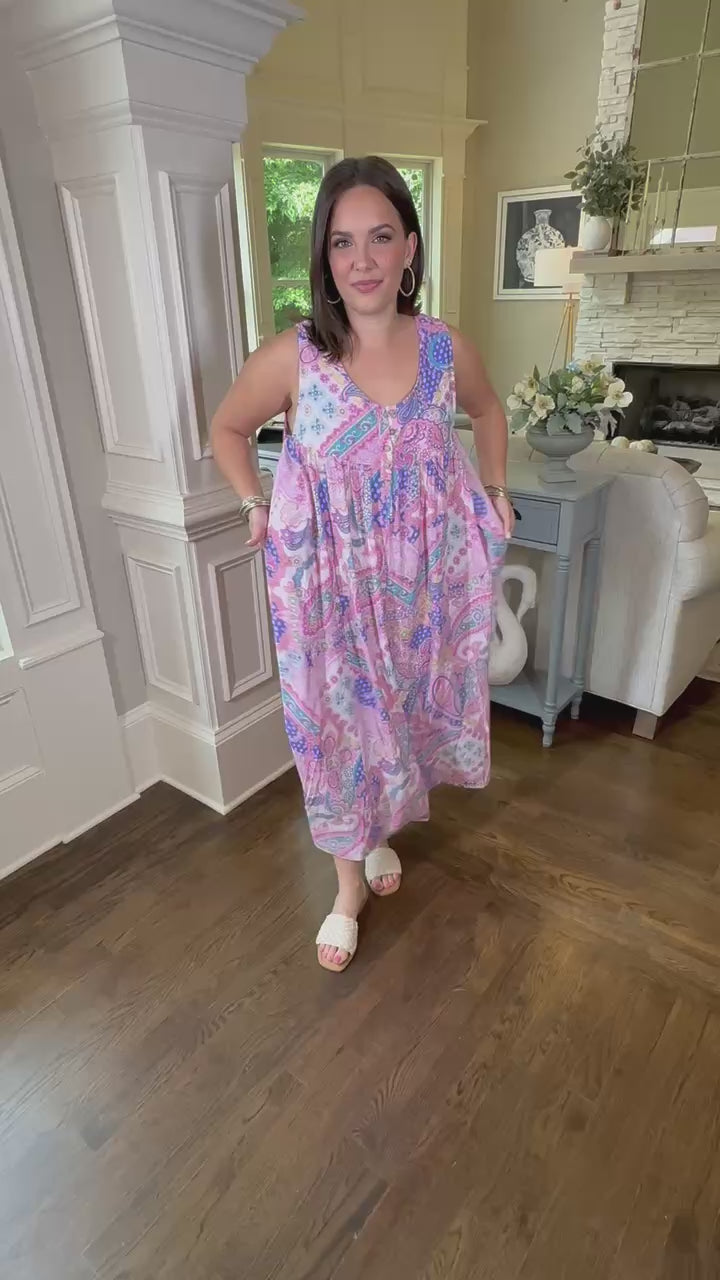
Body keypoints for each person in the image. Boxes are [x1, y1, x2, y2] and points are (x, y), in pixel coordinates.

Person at [211, 156, 513, 974]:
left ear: (409, 247)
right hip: (328, 587)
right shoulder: (295, 356)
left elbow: (489, 410)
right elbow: (227, 428)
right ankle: (347, 887)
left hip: (421, 584)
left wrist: (495, 488)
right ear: (324, 255)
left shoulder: (445, 348)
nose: (363, 259)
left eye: (381, 237)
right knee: (339, 730)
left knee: (399, 713)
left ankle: (380, 833)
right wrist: (253, 504)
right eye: (343, 242)